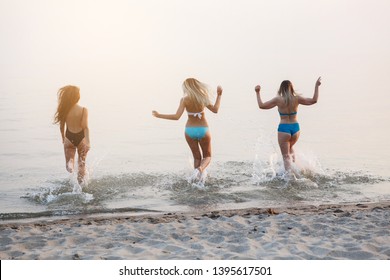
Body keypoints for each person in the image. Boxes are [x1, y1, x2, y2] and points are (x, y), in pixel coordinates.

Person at [152, 78, 222, 179]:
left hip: (189, 130)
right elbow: (215, 110)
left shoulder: (184, 100)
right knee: (207, 156)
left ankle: (196, 179)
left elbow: (176, 117)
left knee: (197, 157)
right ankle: (200, 170)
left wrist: (159, 115)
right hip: (203, 129)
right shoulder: (203, 97)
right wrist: (219, 95)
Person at [254, 77, 321, 173]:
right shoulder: (297, 99)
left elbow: (261, 106)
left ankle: (289, 178)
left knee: (285, 158)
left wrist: (257, 92)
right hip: (296, 129)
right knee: (290, 148)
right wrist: (317, 86)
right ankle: (298, 171)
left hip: (284, 129)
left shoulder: (278, 100)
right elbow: (314, 100)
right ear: (292, 88)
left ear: (281, 89)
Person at [54, 85, 90, 184]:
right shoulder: (83, 110)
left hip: (69, 138)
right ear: (77, 96)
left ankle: (70, 163)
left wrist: (63, 138)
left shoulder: (64, 110)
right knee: (82, 164)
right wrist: (88, 142)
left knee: (70, 162)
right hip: (81, 138)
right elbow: (85, 127)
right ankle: (81, 185)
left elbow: (62, 126)